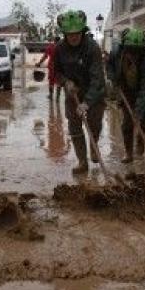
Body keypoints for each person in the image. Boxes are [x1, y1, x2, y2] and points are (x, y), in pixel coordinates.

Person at [54, 10, 106, 175]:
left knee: (94, 124)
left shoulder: (92, 48)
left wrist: (87, 102)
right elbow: (56, 72)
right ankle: (82, 161)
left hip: (94, 93)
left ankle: (94, 146)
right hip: (73, 93)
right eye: (70, 34)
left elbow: (97, 79)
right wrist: (65, 82)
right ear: (65, 34)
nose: (73, 37)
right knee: (75, 127)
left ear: (82, 31)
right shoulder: (59, 48)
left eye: (77, 33)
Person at [106, 27, 145, 163]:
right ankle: (129, 153)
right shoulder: (117, 52)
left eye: (137, 52)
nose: (133, 54)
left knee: (144, 123)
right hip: (126, 91)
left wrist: (138, 113)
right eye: (130, 50)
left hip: (144, 95)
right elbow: (109, 65)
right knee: (127, 125)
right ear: (124, 47)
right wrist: (114, 79)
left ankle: (140, 140)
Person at [36, 35, 62, 100]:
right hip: (60, 66)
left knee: (51, 81)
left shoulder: (50, 47)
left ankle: (51, 96)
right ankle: (57, 98)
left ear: (54, 41)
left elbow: (45, 56)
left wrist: (39, 63)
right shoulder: (62, 47)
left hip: (52, 66)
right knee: (59, 82)